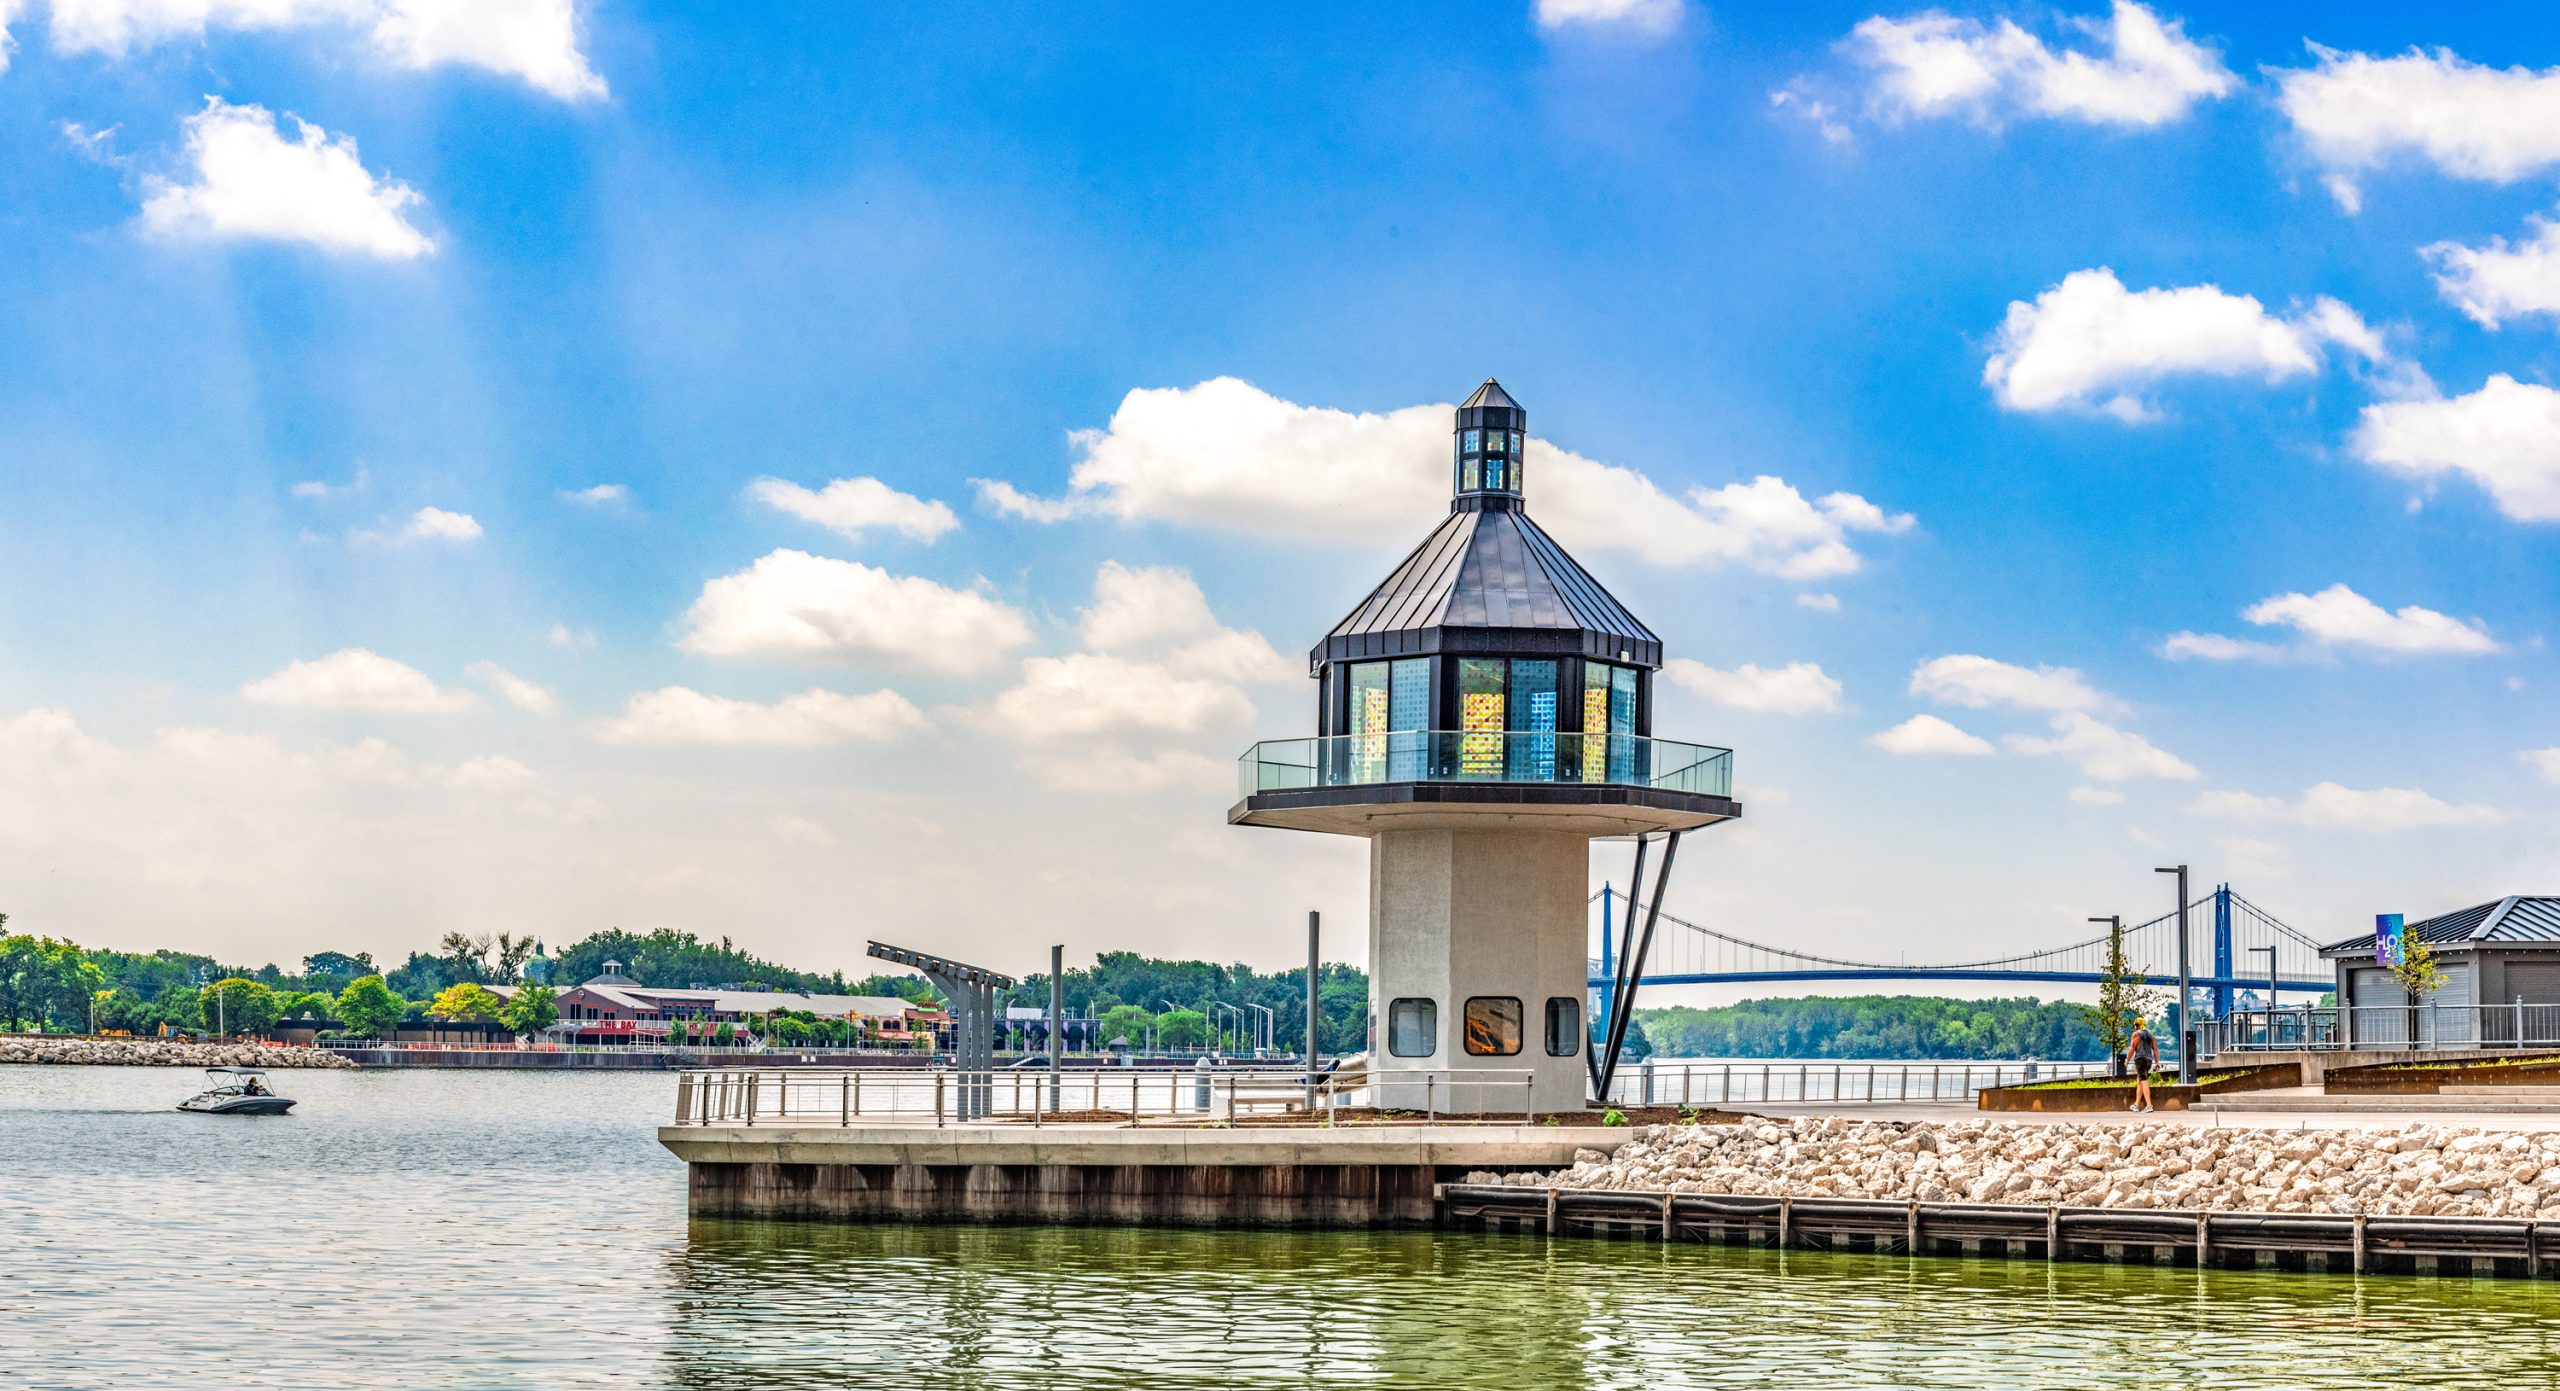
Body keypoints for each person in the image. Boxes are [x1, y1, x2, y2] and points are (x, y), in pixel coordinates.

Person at [2127, 1018, 2157, 1113]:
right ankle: (2136, 1105)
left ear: (2136, 1025)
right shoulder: (2151, 1036)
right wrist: (2157, 1062)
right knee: (2139, 1081)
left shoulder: (2136, 1034)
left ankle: (2149, 1105)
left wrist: (2127, 1060)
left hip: (2140, 1060)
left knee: (2143, 1081)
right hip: (2149, 1060)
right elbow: (2155, 1050)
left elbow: (2132, 1049)